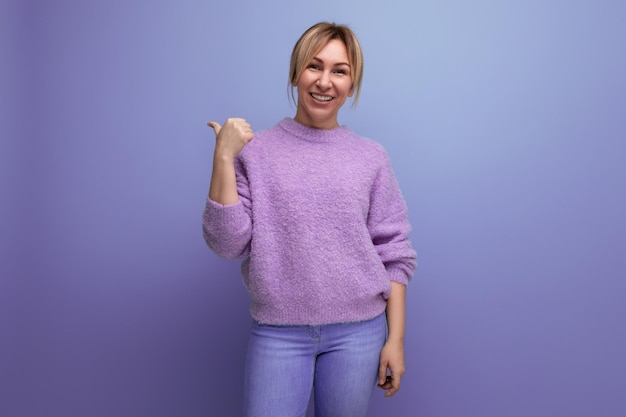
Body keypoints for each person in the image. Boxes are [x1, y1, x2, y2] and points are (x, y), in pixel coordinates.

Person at [202, 22, 417, 417]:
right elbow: (228, 244)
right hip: (278, 333)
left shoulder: (370, 157)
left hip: (360, 332)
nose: (325, 81)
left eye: (340, 70)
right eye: (314, 66)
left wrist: (396, 340)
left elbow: (395, 253)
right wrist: (223, 158)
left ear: (352, 84)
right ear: (295, 73)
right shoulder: (256, 151)